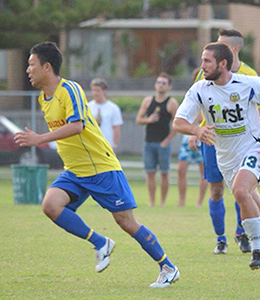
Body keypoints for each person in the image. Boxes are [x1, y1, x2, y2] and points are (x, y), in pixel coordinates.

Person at [14, 41, 180, 288]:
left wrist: (40, 139)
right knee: (50, 205)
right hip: (75, 171)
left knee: (126, 222)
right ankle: (101, 242)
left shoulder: (69, 90)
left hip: (100, 167)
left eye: (31, 64)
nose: (28, 70)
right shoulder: (43, 99)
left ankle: (168, 267)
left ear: (46, 67)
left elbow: (77, 125)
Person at [173, 41, 260, 270]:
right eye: (202, 60)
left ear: (222, 63)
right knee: (249, 196)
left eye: (207, 61)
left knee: (241, 191)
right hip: (225, 157)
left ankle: (257, 248)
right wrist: (196, 130)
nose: (202, 66)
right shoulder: (199, 89)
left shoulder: (248, 84)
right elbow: (178, 122)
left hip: (252, 148)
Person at [136, 73, 178, 207]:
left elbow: (177, 124)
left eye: (164, 83)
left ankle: (162, 202)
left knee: (164, 173)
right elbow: (138, 119)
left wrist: (167, 140)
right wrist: (148, 120)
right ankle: (152, 201)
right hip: (149, 142)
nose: (160, 85)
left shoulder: (171, 103)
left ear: (169, 86)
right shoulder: (148, 101)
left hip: (163, 143)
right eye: (159, 82)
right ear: (155, 85)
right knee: (150, 173)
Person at [177, 68, 208, 207]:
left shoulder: (209, 94)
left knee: (203, 171)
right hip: (189, 135)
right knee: (181, 169)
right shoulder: (192, 94)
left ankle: (200, 202)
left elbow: (203, 116)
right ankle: (182, 200)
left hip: (202, 134)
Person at [88, 78, 123, 152]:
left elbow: (116, 127)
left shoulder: (113, 108)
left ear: (104, 91)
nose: (95, 93)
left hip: (106, 144)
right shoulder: (88, 107)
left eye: (97, 90)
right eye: (93, 90)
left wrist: (114, 145)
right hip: (91, 145)